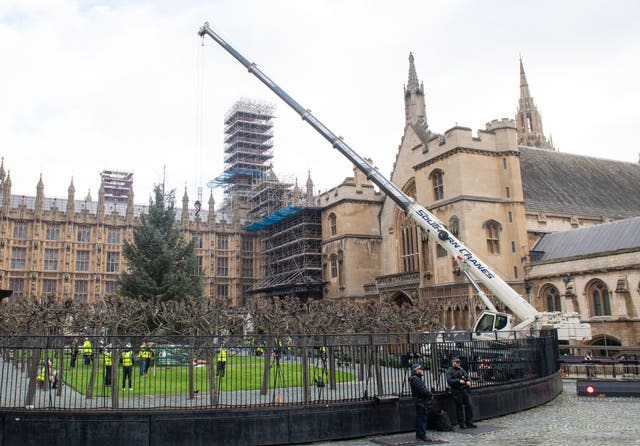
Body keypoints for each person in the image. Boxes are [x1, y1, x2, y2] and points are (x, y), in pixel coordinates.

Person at [445, 357, 477, 429]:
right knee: (459, 407)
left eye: (459, 362)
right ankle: (462, 423)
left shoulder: (461, 370)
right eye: (457, 362)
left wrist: (469, 381)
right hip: (456, 390)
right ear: (453, 363)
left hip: (464, 390)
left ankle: (469, 422)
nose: (459, 364)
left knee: (469, 406)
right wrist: (458, 381)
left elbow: (467, 377)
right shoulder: (449, 371)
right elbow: (449, 381)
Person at [409, 363, 433, 443]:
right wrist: (429, 393)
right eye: (420, 369)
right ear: (416, 370)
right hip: (421, 401)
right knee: (422, 418)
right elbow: (422, 390)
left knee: (421, 418)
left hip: (420, 401)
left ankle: (419, 434)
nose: (421, 370)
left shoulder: (415, 378)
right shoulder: (415, 379)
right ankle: (422, 435)